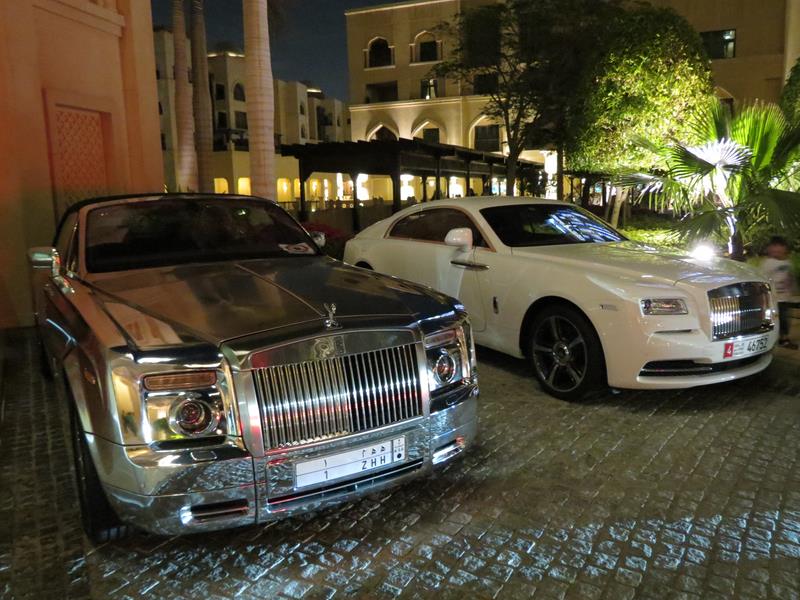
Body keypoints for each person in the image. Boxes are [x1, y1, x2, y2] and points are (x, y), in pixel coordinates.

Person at [761, 236, 798, 350]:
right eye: (774, 246)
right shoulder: (767, 263)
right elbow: (763, 279)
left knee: (785, 319)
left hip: (785, 297)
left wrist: (793, 291)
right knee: (776, 319)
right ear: (769, 249)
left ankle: (783, 338)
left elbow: (791, 278)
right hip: (773, 298)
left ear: (785, 249)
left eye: (780, 246)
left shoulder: (787, 263)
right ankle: (780, 339)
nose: (777, 249)